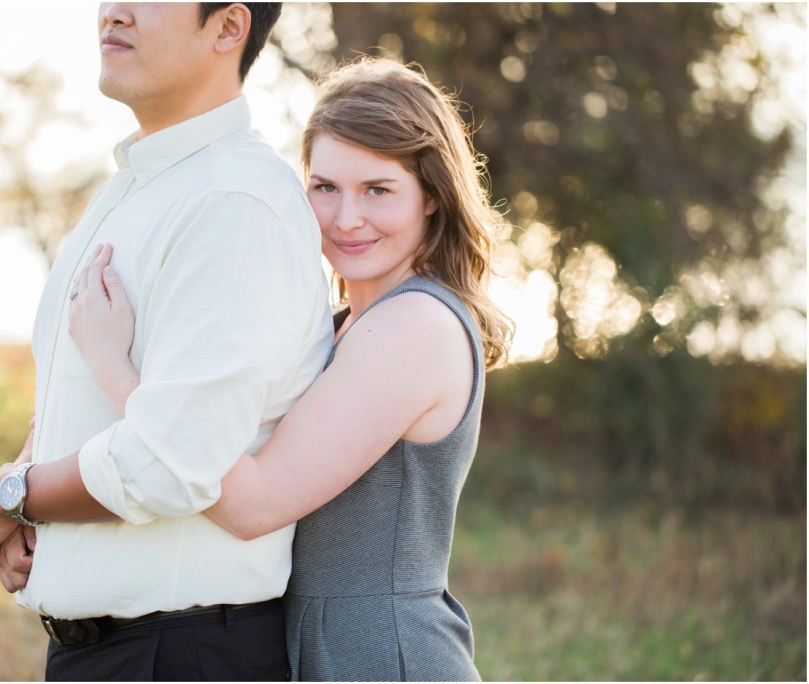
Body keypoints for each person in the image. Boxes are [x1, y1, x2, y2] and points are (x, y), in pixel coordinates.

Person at [63, 57, 514, 681]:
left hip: (384, 657)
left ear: (432, 198)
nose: (345, 218)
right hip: (316, 646)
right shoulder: (344, 323)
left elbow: (252, 505)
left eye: (377, 190)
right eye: (324, 187)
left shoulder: (415, 327)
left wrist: (117, 365)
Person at [0, 3, 334, 681]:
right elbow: (78, 401)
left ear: (227, 27)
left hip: (181, 655)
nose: (113, 10)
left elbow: (172, 460)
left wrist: (14, 496)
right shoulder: (142, 185)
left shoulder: (234, 200)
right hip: (109, 653)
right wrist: (17, 483)